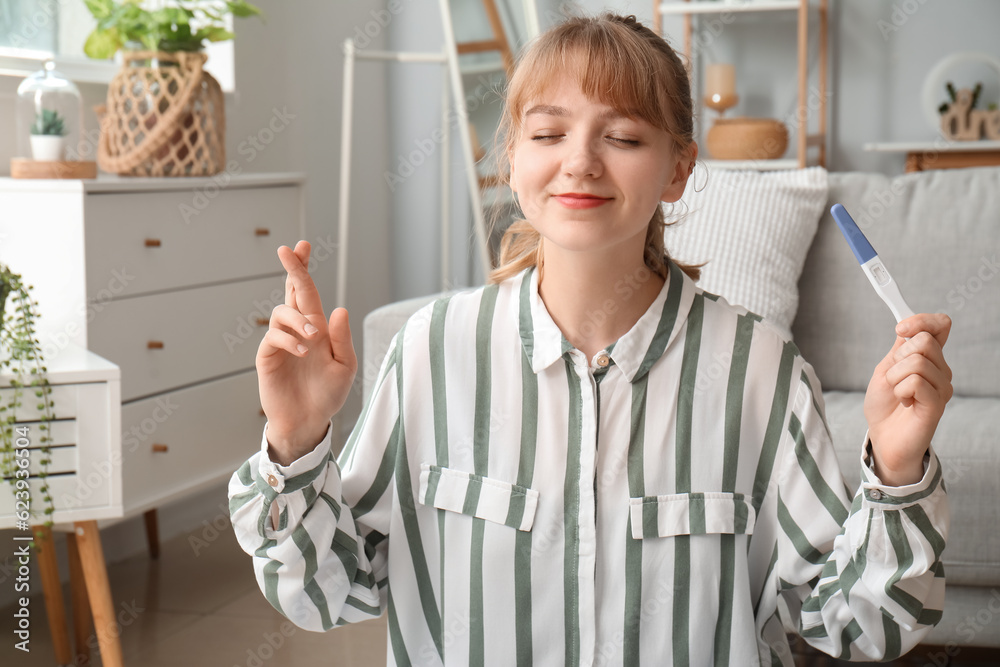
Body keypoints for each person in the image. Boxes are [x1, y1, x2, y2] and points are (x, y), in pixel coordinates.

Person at [229, 13, 953, 666]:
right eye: (547, 134)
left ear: (678, 169)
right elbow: (332, 594)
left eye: (625, 136)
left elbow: (859, 624)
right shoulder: (429, 350)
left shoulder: (759, 370)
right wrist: (294, 442)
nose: (580, 160)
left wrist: (897, 467)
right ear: (512, 161)